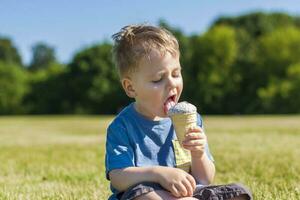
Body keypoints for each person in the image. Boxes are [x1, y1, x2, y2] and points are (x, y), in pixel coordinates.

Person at [105, 24, 252, 200]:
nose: (172, 84)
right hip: (146, 193)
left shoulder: (192, 120)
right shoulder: (122, 126)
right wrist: (158, 174)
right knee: (142, 196)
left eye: (176, 74)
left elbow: (204, 179)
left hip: (188, 193)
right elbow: (118, 177)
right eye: (158, 79)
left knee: (239, 193)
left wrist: (198, 154)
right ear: (131, 88)